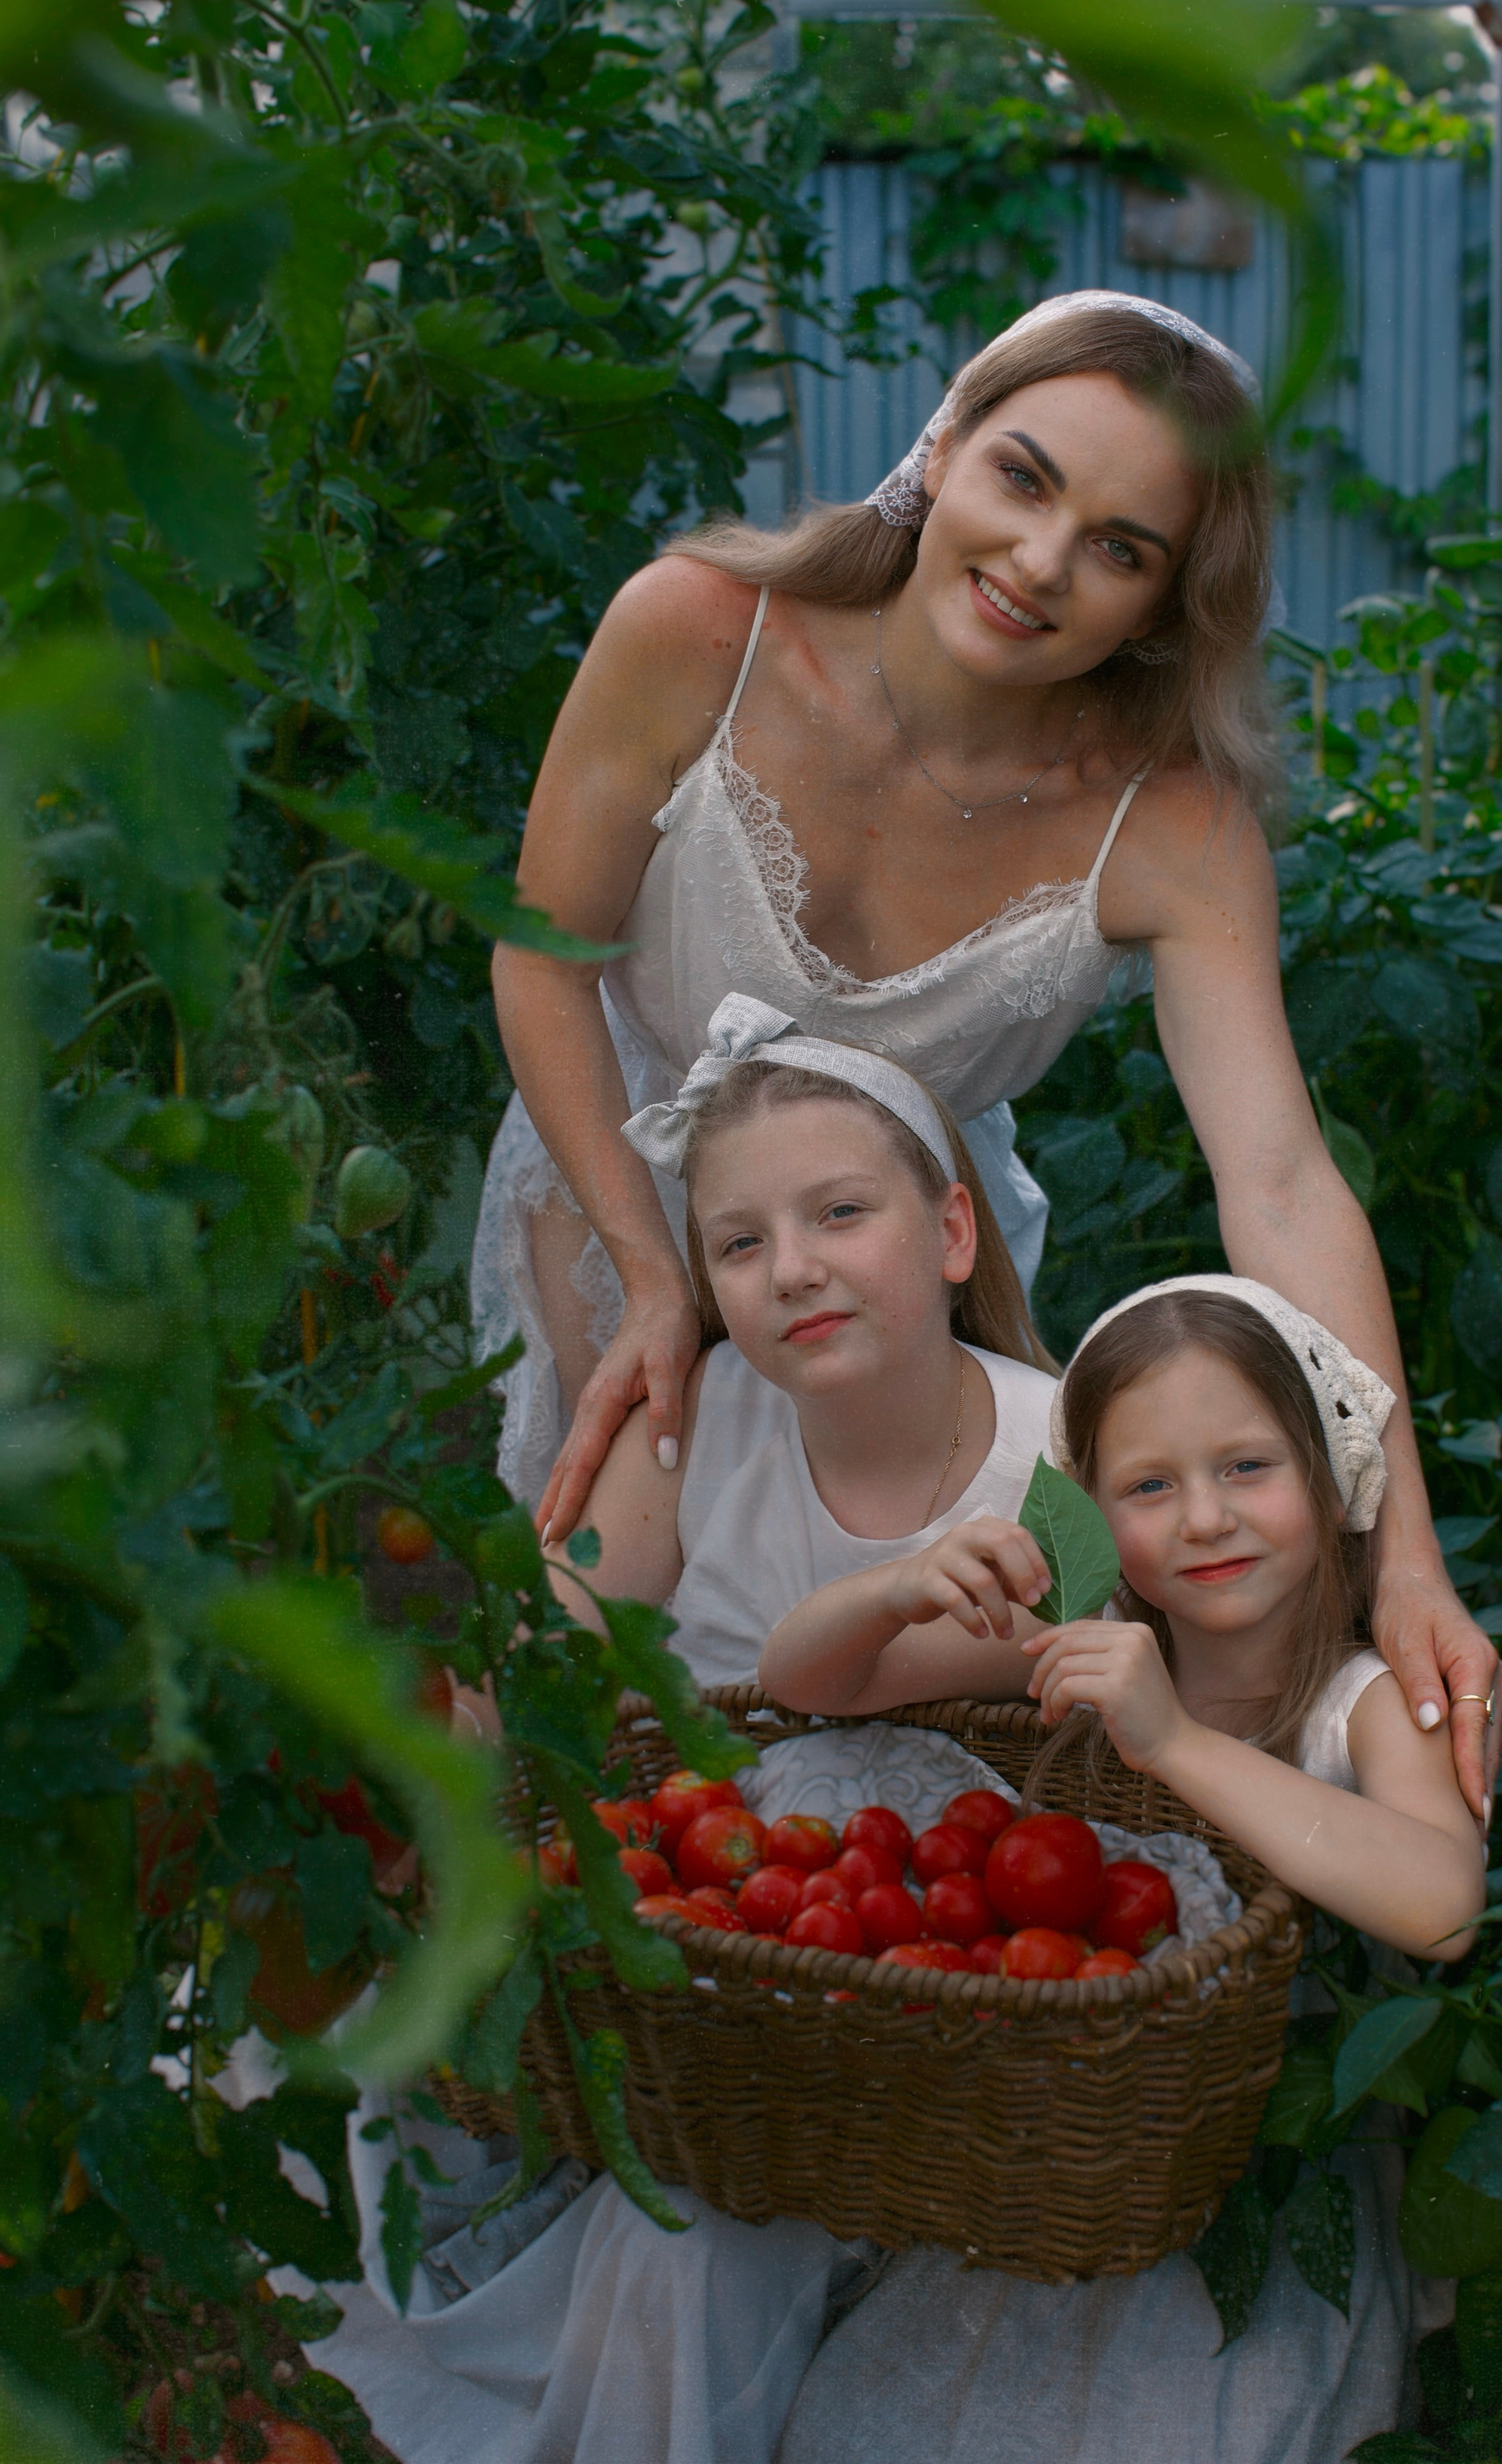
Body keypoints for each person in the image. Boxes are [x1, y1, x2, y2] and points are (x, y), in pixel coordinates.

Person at [472, 285, 1502, 1813]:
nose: (1038, 564)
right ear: (942, 441)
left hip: (910, 1270)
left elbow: (1279, 1182)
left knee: (930, 1684)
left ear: (1164, 604)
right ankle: (550, 2013)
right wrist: (647, 1269)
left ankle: (898, 2026)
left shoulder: (1175, 825)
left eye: (1119, 548)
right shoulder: (694, 626)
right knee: (605, 1660)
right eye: (1023, 477)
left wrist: (1396, 1551)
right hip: (617, 1190)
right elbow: (541, 952)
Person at [312, 1009, 1061, 2464]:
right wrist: (476, 1710)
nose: (791, 1269)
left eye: (840, 1214)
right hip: (691, 1918)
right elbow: (564, 1649)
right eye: (737, 1244)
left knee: (718, 2244)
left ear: (954, 1230)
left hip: (898, 1957)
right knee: (388, 2069)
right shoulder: (701, 1414)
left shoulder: (1057, 1445)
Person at [763, 1276, 1484, 2464]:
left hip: (1263, 2194)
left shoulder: (1363, 1704)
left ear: (1326, 1471)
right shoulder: (1091, 1645)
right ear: (1091, 1511)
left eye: (1248, 1467)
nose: (1205, 1519)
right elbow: (802, 1685)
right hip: (1071, 2167)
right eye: (1150, 1487)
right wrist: (895, 1589)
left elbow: (1442, 1905)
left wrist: (1179, 1744)